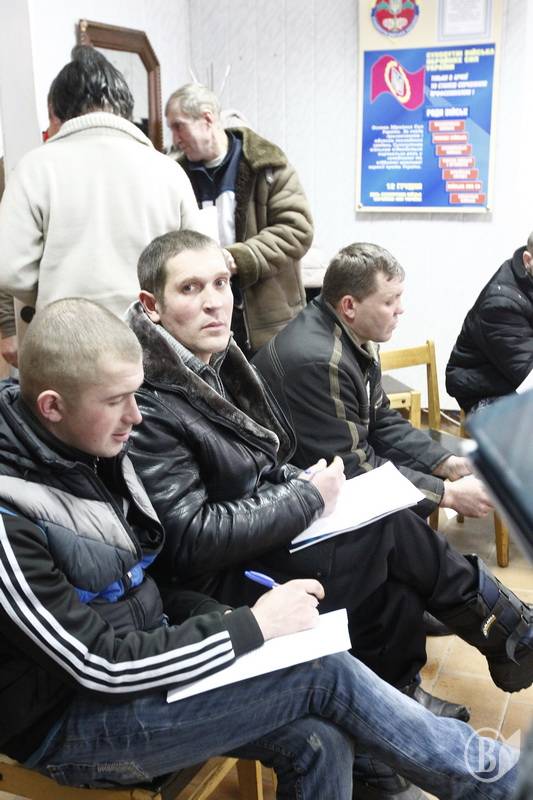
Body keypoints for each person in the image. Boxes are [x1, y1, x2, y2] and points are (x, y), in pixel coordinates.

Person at [0, 298, 519, 800]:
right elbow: (98, 665)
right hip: (67, 722)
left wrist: (230, 619)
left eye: (135, 395)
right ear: (53, 407)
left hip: (143, 665)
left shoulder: (94, 450)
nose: (135, 417)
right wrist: (250, 627)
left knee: (320, 735)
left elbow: (149, 585)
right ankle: (501, 783)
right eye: (117, 401)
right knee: (321, 671)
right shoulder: (12, 513)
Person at [127, 230, 533, 795]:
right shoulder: (148, 396)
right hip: (219, 582)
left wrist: (306, 485)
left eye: (220, 282)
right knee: (389, 533)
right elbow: (191, 538)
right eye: (191, 288)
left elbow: (272, 463)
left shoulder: (214, 362)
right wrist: (305, 496)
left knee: (390, 541)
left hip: (256, 539)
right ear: (152, 305)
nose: (215, 301)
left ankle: (416, 694)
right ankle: (506, 634)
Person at [253, 241, 493, 521]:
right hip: (285, 497)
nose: (400, 309)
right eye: (389, 301)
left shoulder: (353, 337)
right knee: (411, 529)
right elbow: (352, 469)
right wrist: (446, 494)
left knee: (417, 525)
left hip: (320, 480)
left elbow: (381, 419)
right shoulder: (323, 362)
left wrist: (446, 463)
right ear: (349, 306)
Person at [0, 46, 199, 367]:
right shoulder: (168, 170)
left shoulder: (35, 167)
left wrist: (57, 286)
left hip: (65, 345)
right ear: (126, 109)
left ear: (55, 112)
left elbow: (9, 269)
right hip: (152, 344)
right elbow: (197, 265)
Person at [165, 82, 312, 355]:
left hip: (266, 325)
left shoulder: (267, 165)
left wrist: (237, 259)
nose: (175, 138)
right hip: (199, 325)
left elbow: (296, 230)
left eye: (178, 126)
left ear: (207, 118)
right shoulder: (172, 174)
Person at [446, 233, 533, 412]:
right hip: (487, 394)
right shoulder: (501, 304)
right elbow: (527, 376)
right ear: (528, 260)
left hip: (514, 385)